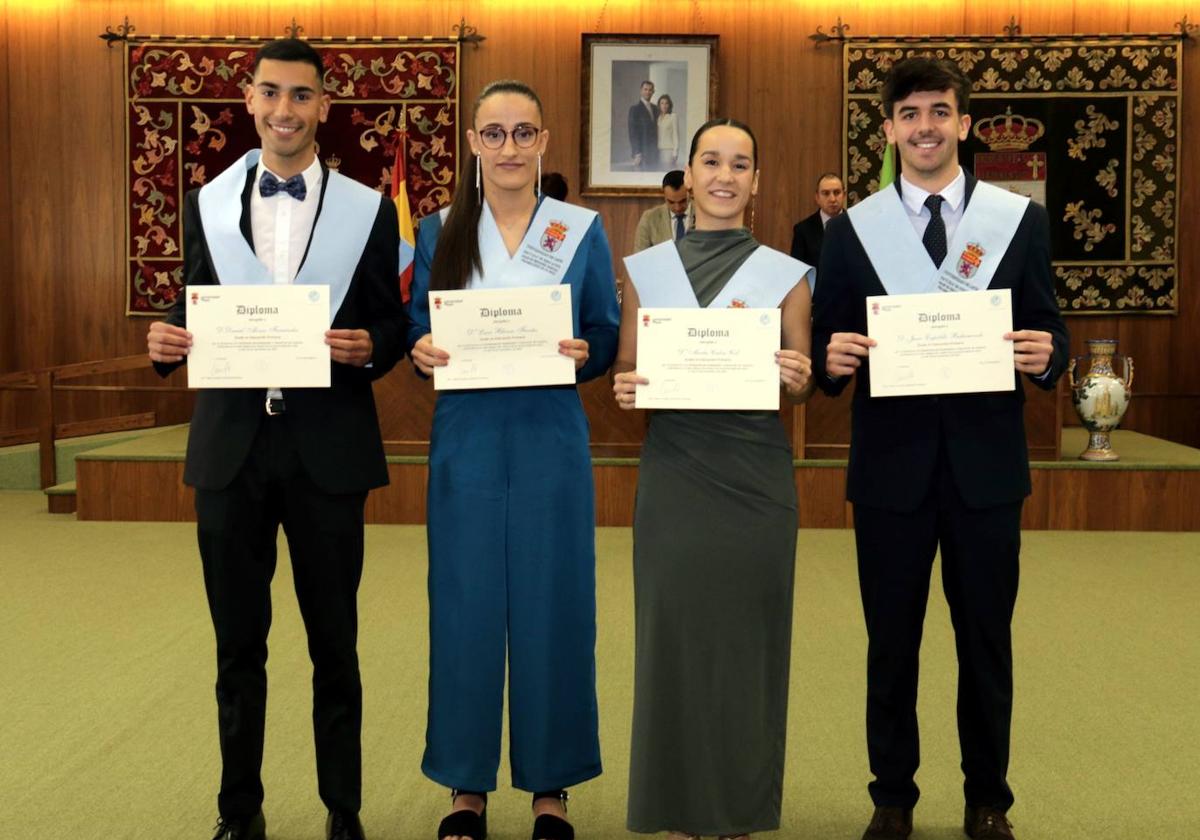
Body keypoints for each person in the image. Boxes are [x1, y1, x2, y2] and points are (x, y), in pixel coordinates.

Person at [145, 38, 406, 840]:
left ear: (325, 106)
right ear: (249, 102)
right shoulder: (207, 203)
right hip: (231, 453)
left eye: (302, 95)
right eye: (271, 93)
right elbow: (193, 313)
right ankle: (239, 815)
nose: (285, 110)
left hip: (328, 452)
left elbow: (391, 320)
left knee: (337, 648)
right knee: (237, 652)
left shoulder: (367, 209)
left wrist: (375, 348)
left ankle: (344, 812)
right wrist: (165, 345)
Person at [811, 58, 1068, 840]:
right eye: (909, 113)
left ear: (963, 123)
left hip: (986, 470)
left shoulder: (1015, 221)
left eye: (939, 112)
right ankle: (893, 797)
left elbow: (1050, 324)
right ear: (888, 129)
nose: (924, 126)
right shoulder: (854, 229)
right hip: (891, 470)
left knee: (985, 642)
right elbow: (826, 338)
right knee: (891, 642)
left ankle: (988, 798)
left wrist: (1047, 353)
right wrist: (832, 358)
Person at [406, 79, 620, 840]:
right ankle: (466, 784)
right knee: (463, 603)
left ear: (544, 143)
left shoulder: (579, 229)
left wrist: (587, 352)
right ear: (472, 142)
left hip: (548, 435)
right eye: (492, 134)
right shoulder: (438, 230)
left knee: (552, 603)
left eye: (522, 133)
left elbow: (604, 330)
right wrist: (421, 348)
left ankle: (550, 788)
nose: (508, 148)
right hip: (465, 436)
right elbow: (416, 328)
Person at [613, 118, 816, 840]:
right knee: (673, 641)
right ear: (688, 175)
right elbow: (630, 365)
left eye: (740, 164)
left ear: (756, 181)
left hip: (754, 481)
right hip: (677, 473)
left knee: (745, 649)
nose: (725, 175)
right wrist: (627, 387)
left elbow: (799, 379)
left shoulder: (788, 274)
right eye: (711, 161)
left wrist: (798, 375)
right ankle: (676, 807)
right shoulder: (649, 272)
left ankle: (735, 810)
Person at [789, 172, 844, 268]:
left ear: (844, 195)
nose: (832, 199)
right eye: (826, 193)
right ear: (817, 198)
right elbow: (797, 272)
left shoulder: (857, 225)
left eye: (837, 192)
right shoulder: (803, 230)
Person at [632, 170, 691, 252]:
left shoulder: (704, 215)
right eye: (671, 202)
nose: (677, 208)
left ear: (690, 192)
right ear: (663, 195)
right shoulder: (649, 218)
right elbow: (639, 257)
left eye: (682, 201)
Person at [628, 80, 659, 170]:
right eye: (645, 89)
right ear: (641, 91)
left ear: (653, 92)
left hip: (655, 152)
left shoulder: (656, 108)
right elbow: (632, 133)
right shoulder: (635, 109)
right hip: (642, 153)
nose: (648, 92)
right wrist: (637, 152)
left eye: (650, 90)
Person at [656, 94, 679, 169]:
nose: (664, 105)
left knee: (666, 171)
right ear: (659, 105)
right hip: (658, 150)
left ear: (669, 105)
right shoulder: (658, 118)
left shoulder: (673, 116)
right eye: (662, 103)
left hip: (668, 150)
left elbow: (676, 135)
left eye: (666, 103)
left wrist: (675, 152)